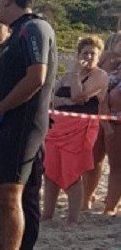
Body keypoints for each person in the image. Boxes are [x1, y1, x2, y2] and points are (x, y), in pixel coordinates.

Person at [0, 0, 57, 250]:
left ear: (8, 2)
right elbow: (5, 85)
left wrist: (2, 109)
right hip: (11, 120)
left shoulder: (34, 28)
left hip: (24, 121)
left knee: (12, 193)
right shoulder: (15, 35)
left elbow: (36, 77)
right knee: (2, 192)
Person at [43, 36, 108, 225]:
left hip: (80, 127)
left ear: (99, 56)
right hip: (57, 125)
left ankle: (73, 217)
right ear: (78, 54)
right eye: (84, 53)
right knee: (51, 169)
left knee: (73, 170)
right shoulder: (68, 75)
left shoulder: (99, 75)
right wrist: (73, 79)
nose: (88, 57)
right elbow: (52, 98)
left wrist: (77, 75)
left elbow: (79, 97)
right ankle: (47, 213)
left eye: (92, 53)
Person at [86, 32, 121, 213]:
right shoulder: (105, 62)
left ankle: (110, 206)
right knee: (93, 160)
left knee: (116, 165)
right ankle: (87, 199)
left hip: (115, 118)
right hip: (99, 116)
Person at [102, 50, 121, 215]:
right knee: (115, 167)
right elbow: (103, 96)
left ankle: (111, 205)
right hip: (114, 122)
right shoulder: (115, 69)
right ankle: (110, 205)